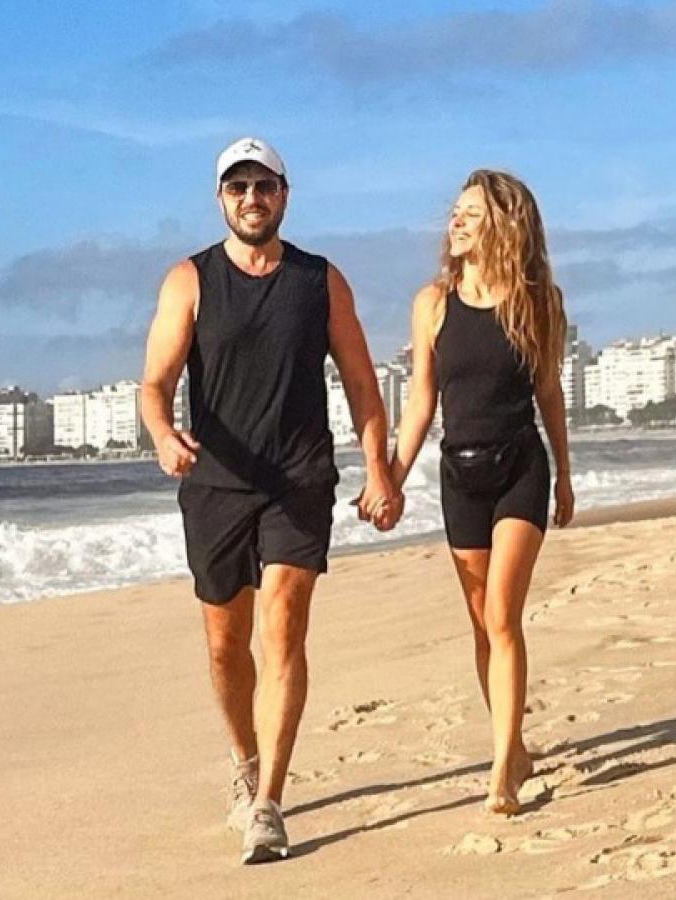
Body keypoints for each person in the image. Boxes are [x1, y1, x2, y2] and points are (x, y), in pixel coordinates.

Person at [140, 137, 398, 864]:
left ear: (285, 195)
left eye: (264, 186)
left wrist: (378, 470)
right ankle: (244, 760)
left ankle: (268, 804)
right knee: (226, 645)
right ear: (220, 199)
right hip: (216, 483)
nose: (251, 198)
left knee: (282, 627)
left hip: (298, 479)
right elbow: (154, 384)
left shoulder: (320, 281)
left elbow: (362, 384)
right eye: (238, 187)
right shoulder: (189, 281)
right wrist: (162, 434)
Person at [381, 169, 575, 815]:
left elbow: (548, 392)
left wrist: (565, 474)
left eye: (471, 212)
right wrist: (391, 479)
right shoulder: (433, 303)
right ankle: (512, 745)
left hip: (521, 467)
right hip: (459, 476)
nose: (455, 221)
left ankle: (501, 774)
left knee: (501, 616)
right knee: (480, 625)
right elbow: (421, 401)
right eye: (455, 212)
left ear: (505, 224)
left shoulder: (538, 302)